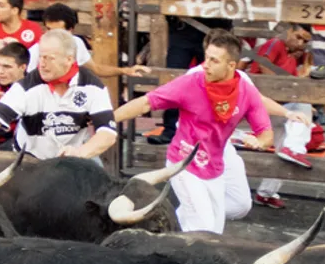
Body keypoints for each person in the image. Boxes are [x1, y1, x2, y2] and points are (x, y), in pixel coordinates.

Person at [113, 30, 271, 233]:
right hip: (183, 162)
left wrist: (259, 142)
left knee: (216, 228)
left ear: (231, 66)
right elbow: (146, 103)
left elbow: (266, 133)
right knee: (203, 229)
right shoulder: (191, 82)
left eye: (214, 61)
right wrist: (107, 119)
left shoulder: (246, 91)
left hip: (214, 166)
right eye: (206, 58)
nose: (206, 65)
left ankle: (175, 229)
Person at [152, 0, 240, 144]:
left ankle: (213, 130)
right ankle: (170, 129)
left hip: (213, 32)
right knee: (175, 77)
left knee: (214, 81)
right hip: (183, 28)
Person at [0, 29, 117, 160]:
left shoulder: (92, 85)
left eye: (50, 58)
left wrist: (80, 153)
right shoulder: (27, 85)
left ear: (69, 59)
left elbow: (108, 133)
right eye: (41, 57)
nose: (42, 64)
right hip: (30, 162)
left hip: (74, 160)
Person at [249, 24, 315, 206]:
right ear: (289, 32)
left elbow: (297, 86)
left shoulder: (292, 59)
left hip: (279, 107)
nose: (301, 43)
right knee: (302, 108)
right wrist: (281, 88)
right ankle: (295, 147)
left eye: (305, 41)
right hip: (260, 102)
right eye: (298, 37)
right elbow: (263, 64)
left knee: (283, 151)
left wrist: (306, 68)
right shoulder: (276, 43)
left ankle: (267, 192)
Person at [40, 2, 148, 79]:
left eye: (58, 31)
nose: (51, 35)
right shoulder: (38, 48)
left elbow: (96, 69)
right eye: (49, 29)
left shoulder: (76, 43)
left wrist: (125, 71)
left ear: (70, 30)